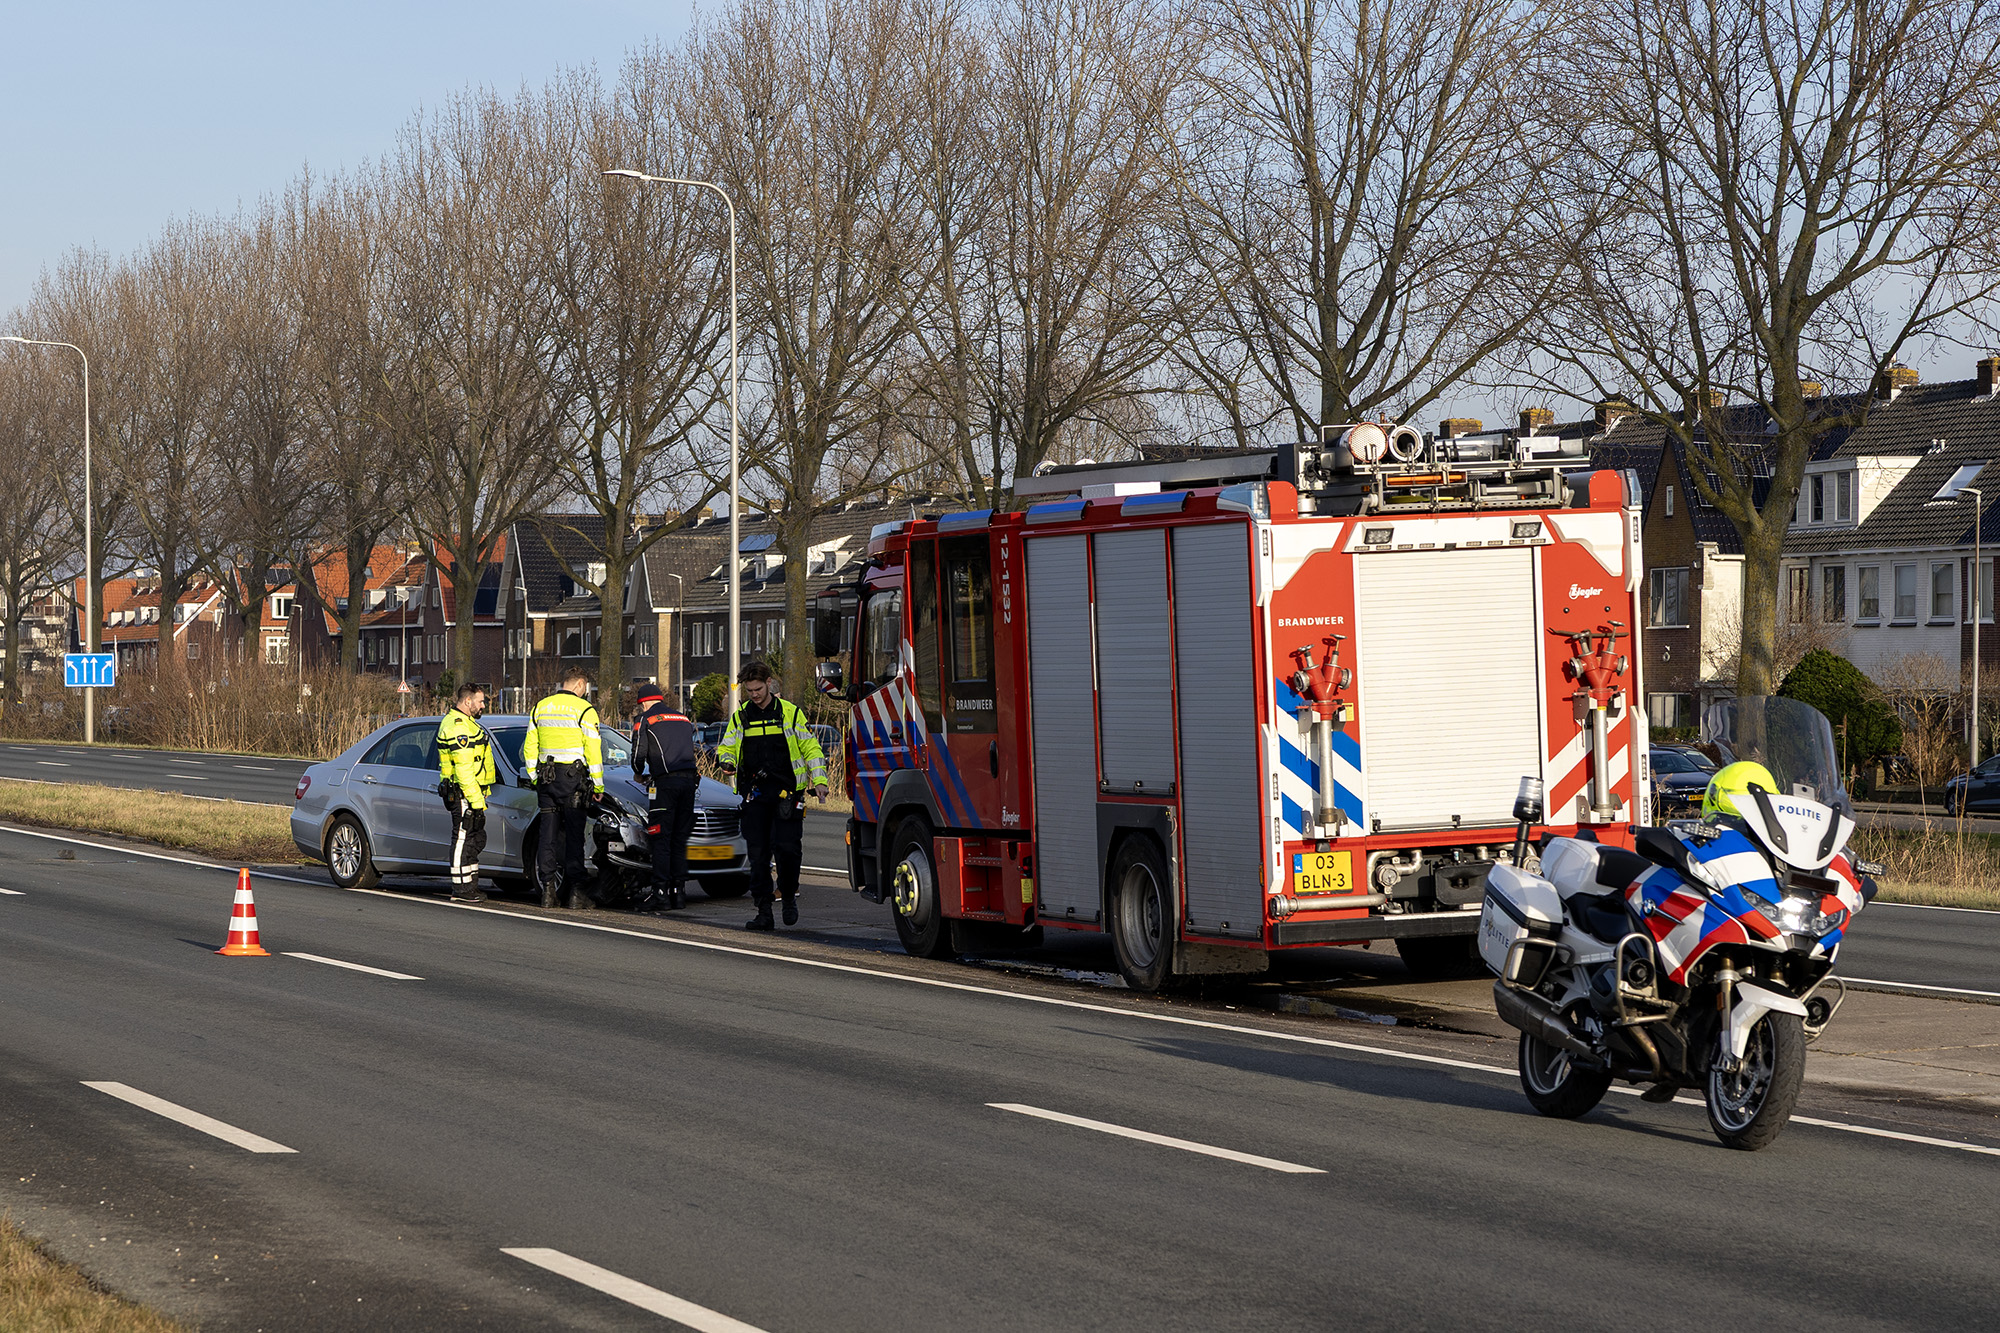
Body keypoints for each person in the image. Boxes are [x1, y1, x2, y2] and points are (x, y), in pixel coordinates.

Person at [716, 660, 828, 930]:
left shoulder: (790, 713)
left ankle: (788, 896)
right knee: (758, 856)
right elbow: (726, 747)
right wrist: (726, 762)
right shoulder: (741, 716)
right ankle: (763, 911)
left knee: (788, 850)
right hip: (754, 796)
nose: (753, 694)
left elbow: (811, 749)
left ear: (768, 684)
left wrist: (821, 780)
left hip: (788, 794)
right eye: (749, 690)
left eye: (757, 689)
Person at [522, 668, 604, 909]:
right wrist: (598, 783)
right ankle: (577, 893)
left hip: (546, 779)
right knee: (574, 837)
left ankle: (548, 891)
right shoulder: (585, 711)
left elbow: (530, 746)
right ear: (580, 684)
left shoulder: (541, 706)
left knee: (547, 835)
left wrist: (534, 776)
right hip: (573, 780)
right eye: (586, 688)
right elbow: (593, 751)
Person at [631, 682, 698, 912]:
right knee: (680, 839)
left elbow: (638, 754)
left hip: (665, 785)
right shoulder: (683, 718)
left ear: (643, 703)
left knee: (661, 839)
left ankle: (660, 895)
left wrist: (639, 773)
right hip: (689, 783)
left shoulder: (645, 719)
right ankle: (679, 894)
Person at [435, 681, 495, 904]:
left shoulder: (467, 723)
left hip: (471, 793)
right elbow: (464, 770)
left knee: (473, 838)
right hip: (463, 793)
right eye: (480, 701)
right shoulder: (458, 726)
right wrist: (476, 801)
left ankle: (470, 885)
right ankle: (461, 889)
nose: (483, 706)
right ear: (467, 701)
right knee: (462, 837)